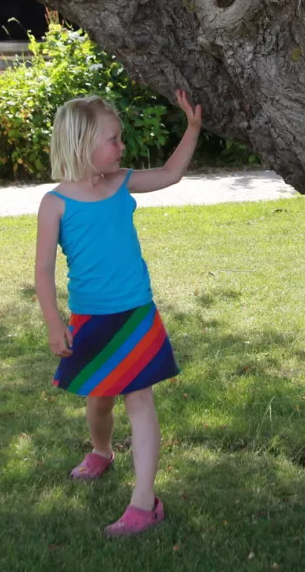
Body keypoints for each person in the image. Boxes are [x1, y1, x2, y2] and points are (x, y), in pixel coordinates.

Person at [34, 90, 203, 536]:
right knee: (99, 400)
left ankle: (144, 504)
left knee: (140, 399)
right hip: (92, 319)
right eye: (114, 139)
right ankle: (102, 451)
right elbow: (44, 271)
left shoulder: (122, 182)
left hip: (135, 314)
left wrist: (192, 128)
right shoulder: (55, 204)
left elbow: (170, 174)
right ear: (82, 144)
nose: (121, 147)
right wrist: (55, 324)